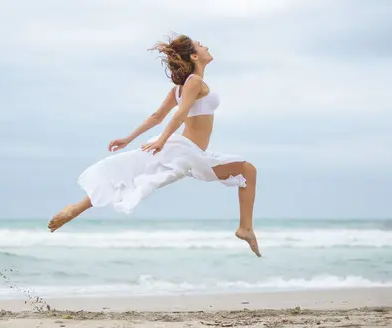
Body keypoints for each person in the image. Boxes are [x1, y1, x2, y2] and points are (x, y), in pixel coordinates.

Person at [48, 33, 261, 257]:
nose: (206, 45)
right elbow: (180, 113)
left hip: (191, 150)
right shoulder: (194, 82)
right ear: (195, 56)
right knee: (246, 169)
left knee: (135, 174)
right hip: (185, 149)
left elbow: (156, 116)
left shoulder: (180, 87)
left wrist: (129, 139)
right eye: (200, 45)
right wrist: (161, 140)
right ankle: (245, 228)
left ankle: (76, 209)